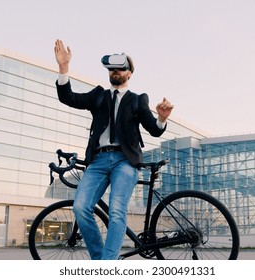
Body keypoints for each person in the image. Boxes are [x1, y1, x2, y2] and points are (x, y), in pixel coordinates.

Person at [54, 39, 174, 260]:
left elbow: (154, 131)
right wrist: (64, 69)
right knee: (80, 208)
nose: (116, 71)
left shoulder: (137, 100)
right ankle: (102, 261)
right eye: (113, 68)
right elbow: (68, 97)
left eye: (121, 67)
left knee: (116, 210)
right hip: (98, 161)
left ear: (129, 74)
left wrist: (162, 118)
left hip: (125, 161)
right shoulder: (98, 95)